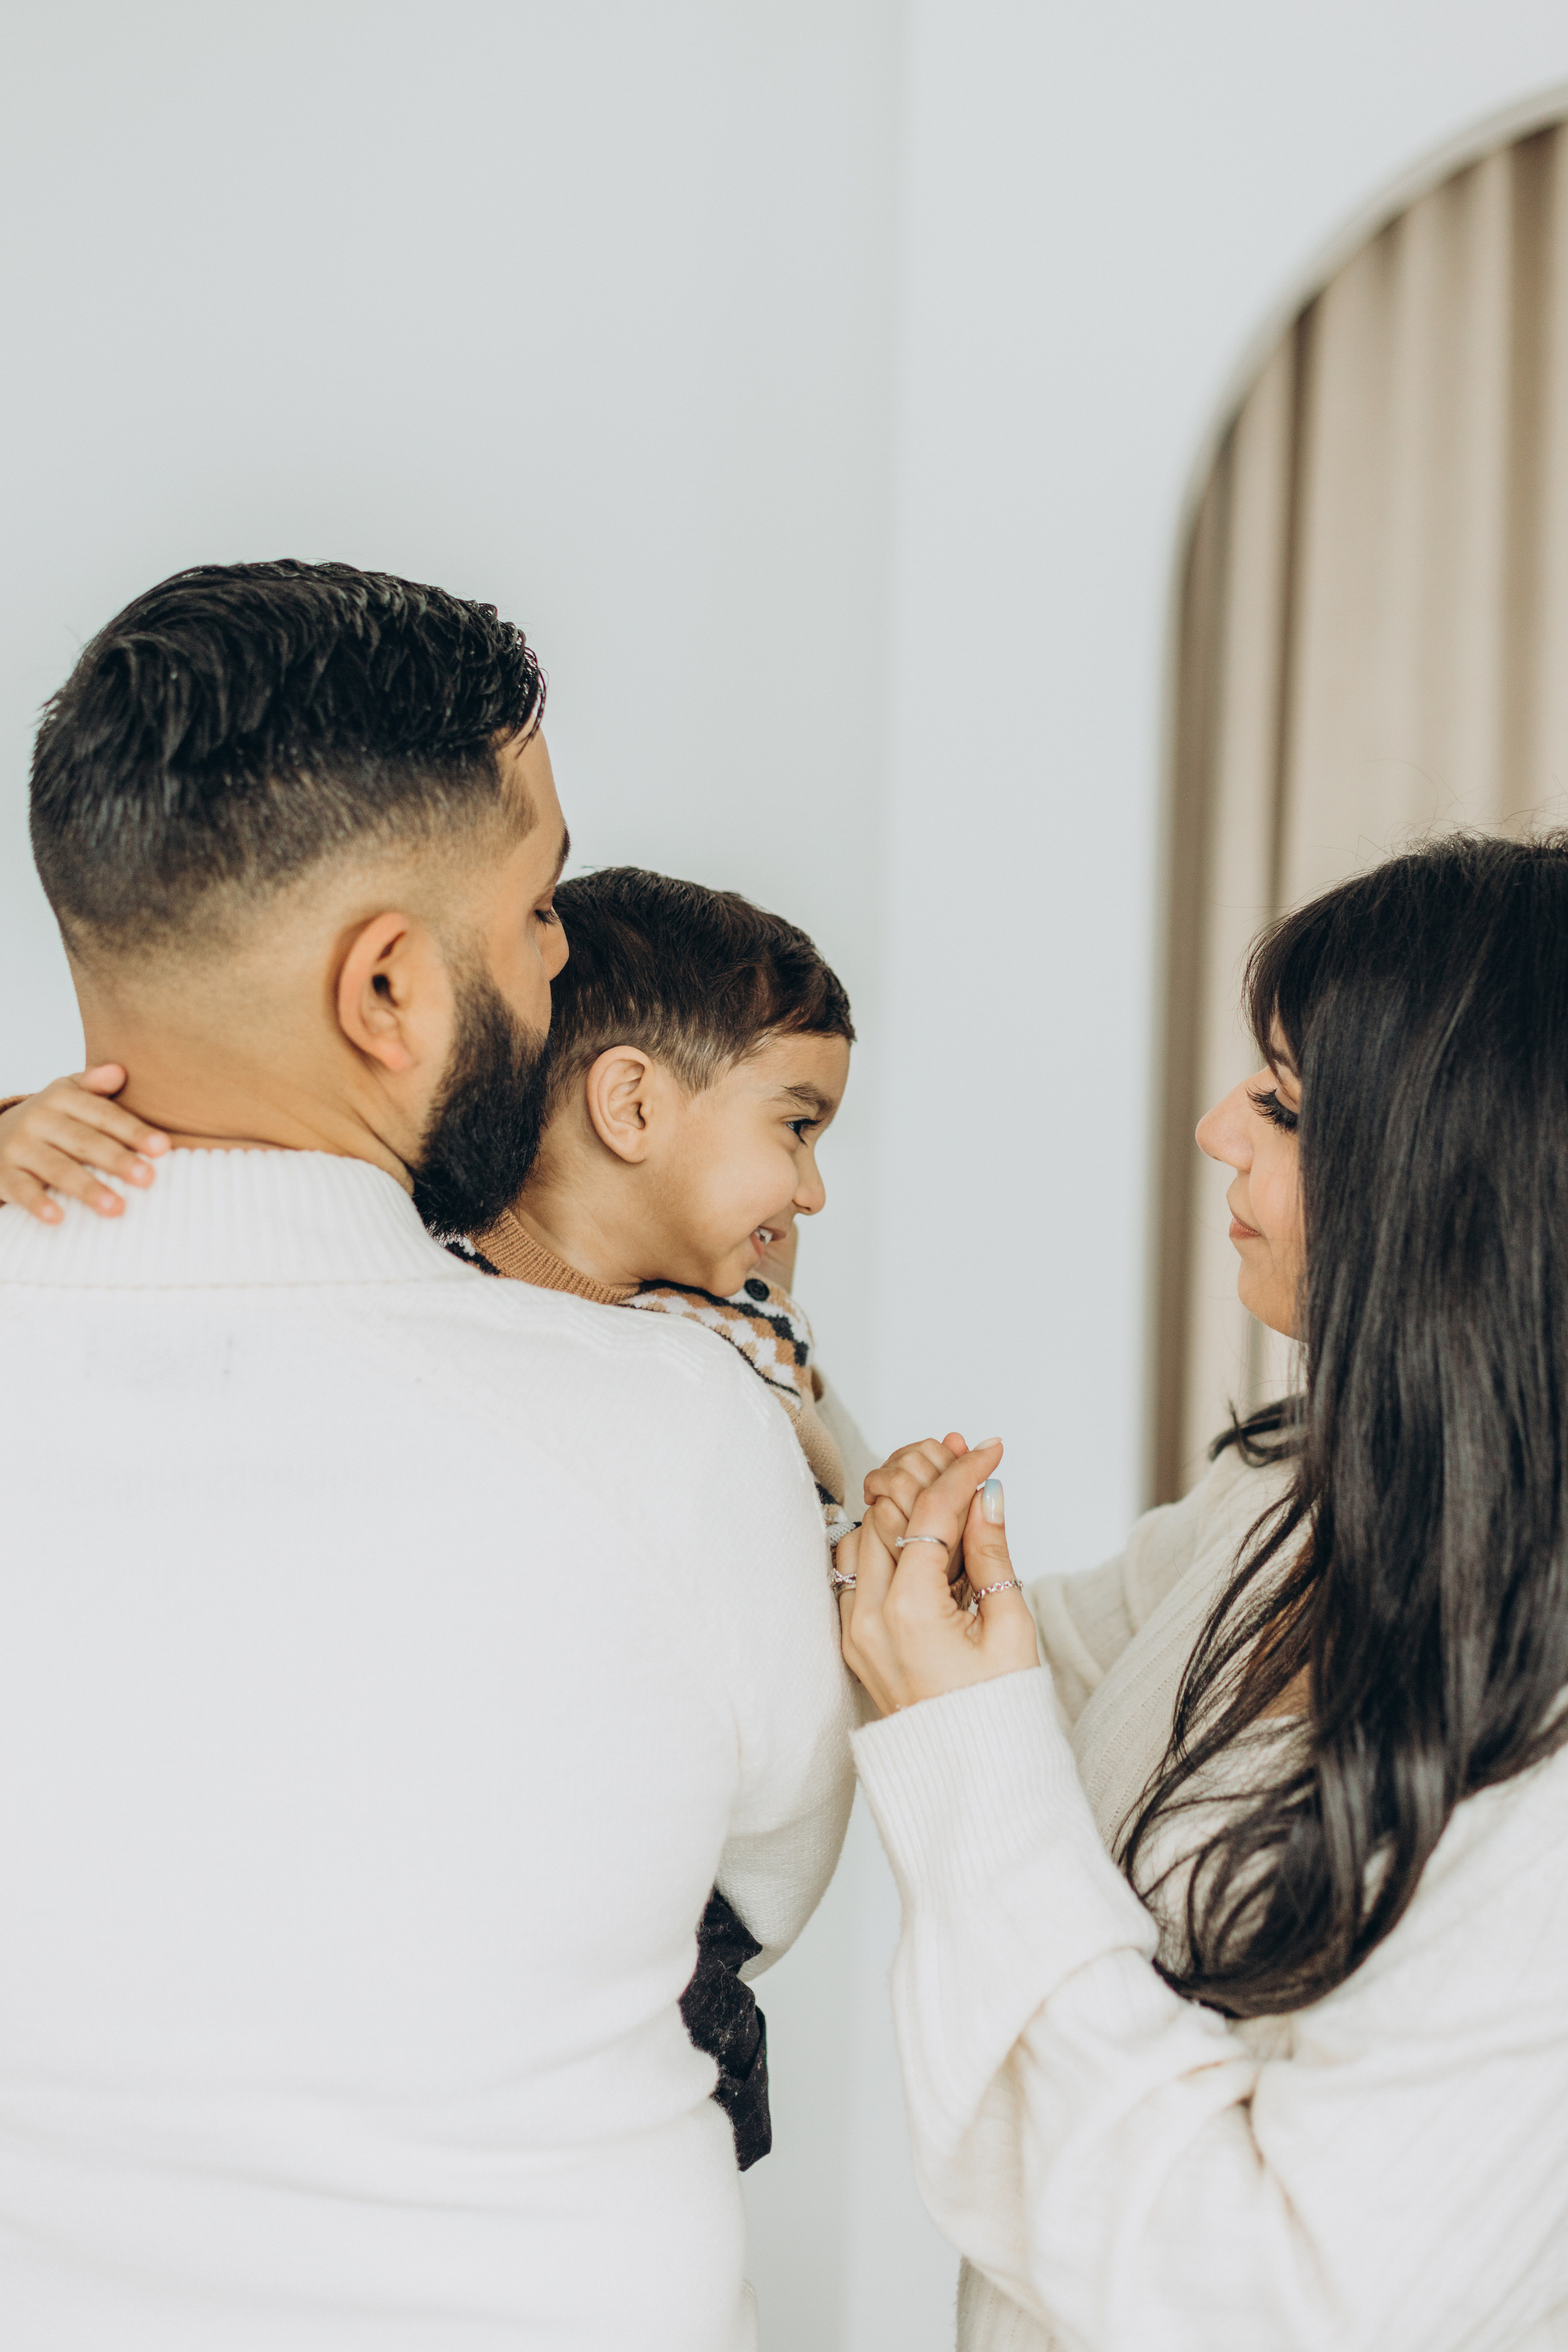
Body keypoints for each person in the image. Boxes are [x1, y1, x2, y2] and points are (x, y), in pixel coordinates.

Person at [0, 559, 854, 2350]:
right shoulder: (678, 1430)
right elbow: (760, 1872)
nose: (562, 958)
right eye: (539, 906)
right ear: (386, 990)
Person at [834, 834, 1568, 2352]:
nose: (1211, 1128)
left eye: (1284, 1107)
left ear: (1458, 1189)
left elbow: (1269, 2308)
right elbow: (1040, 1673)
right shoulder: (1284, 1505)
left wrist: (961, 1734)